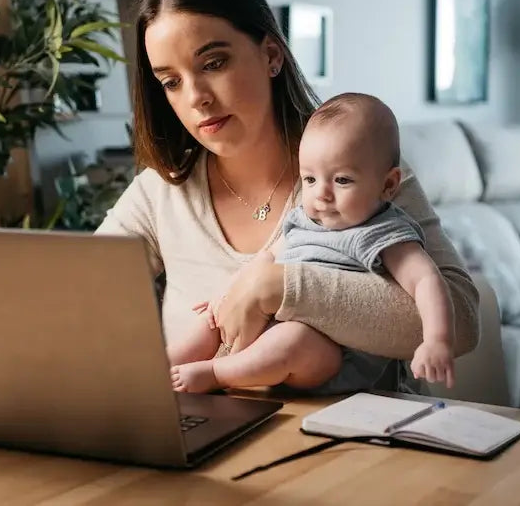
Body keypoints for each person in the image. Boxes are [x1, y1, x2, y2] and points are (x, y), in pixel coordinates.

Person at [93, 0, 480, 396]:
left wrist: (277, 287)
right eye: (171, 81)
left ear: (271, 56)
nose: (195, 97)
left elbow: (462, 321)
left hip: (355, 442)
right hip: (204, 433)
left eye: (214, 63)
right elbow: (79, 296)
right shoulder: (159, 192)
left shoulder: (358, 177)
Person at [167, 93, 457, 393]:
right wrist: (225, 295)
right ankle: (158, 372)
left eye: (342, 180)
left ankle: (215, 373)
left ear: (388, 185)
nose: (322, 194)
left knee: (293, 339)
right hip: (275, 331)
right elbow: (265, 261)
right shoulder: (303, 220)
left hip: (334, 359)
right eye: (309, 180)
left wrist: (437, 339)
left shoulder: (383, 232)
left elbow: (426, 280)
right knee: (210, 319)